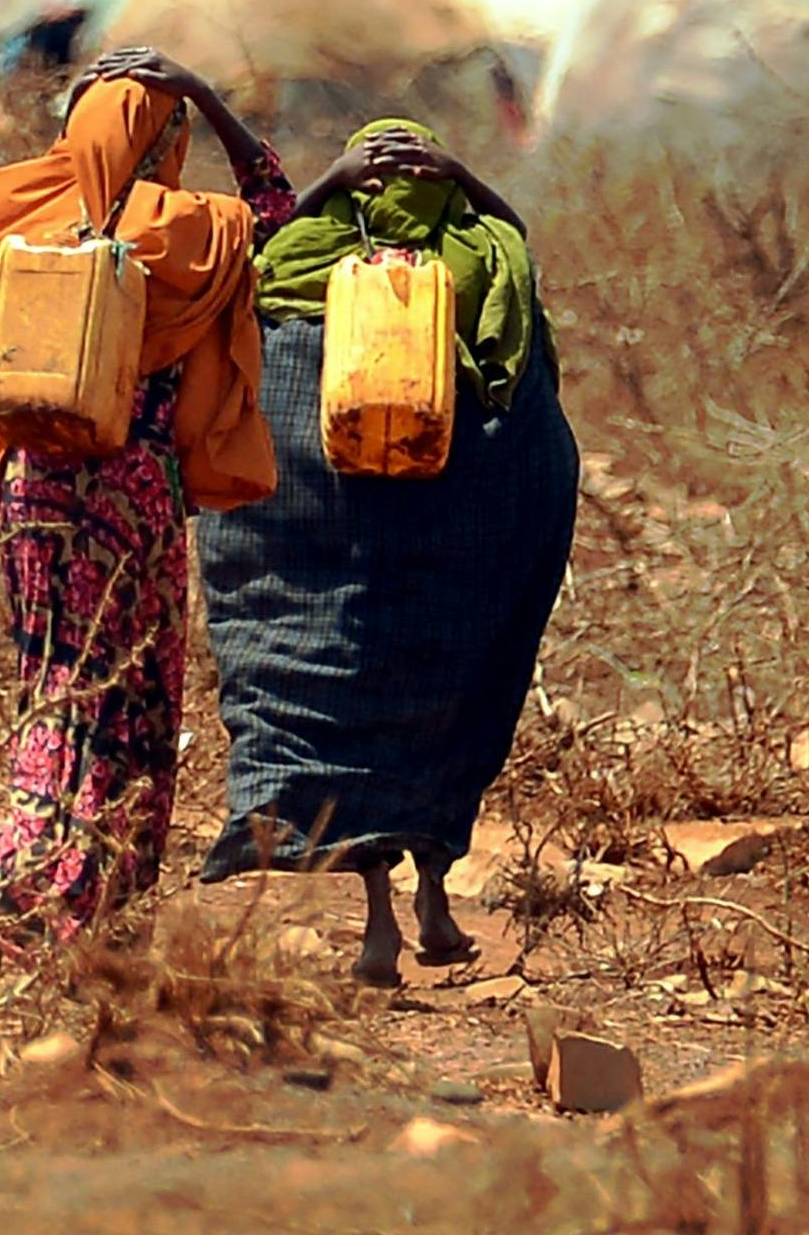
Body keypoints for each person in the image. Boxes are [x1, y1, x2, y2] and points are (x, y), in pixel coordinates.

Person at [194, 118, 576, 984]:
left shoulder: (302, 265)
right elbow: (519, 272)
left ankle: (379, 930)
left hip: (332, 554)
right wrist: (467, 176)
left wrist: (329, 182)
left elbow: (261, 281)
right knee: (444, 706)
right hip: (457, 548)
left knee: (355, 712)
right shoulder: (482, 258)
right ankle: (436, 903)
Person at [0, 47, 296, 942]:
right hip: (131, 496)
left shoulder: (9, 209)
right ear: (166, 141)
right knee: (124, 694)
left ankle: (26, 879)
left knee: (52, 683)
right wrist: (207, 91)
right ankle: (87, 899)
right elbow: (279, 210)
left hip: (32, 490)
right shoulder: (188, 231)